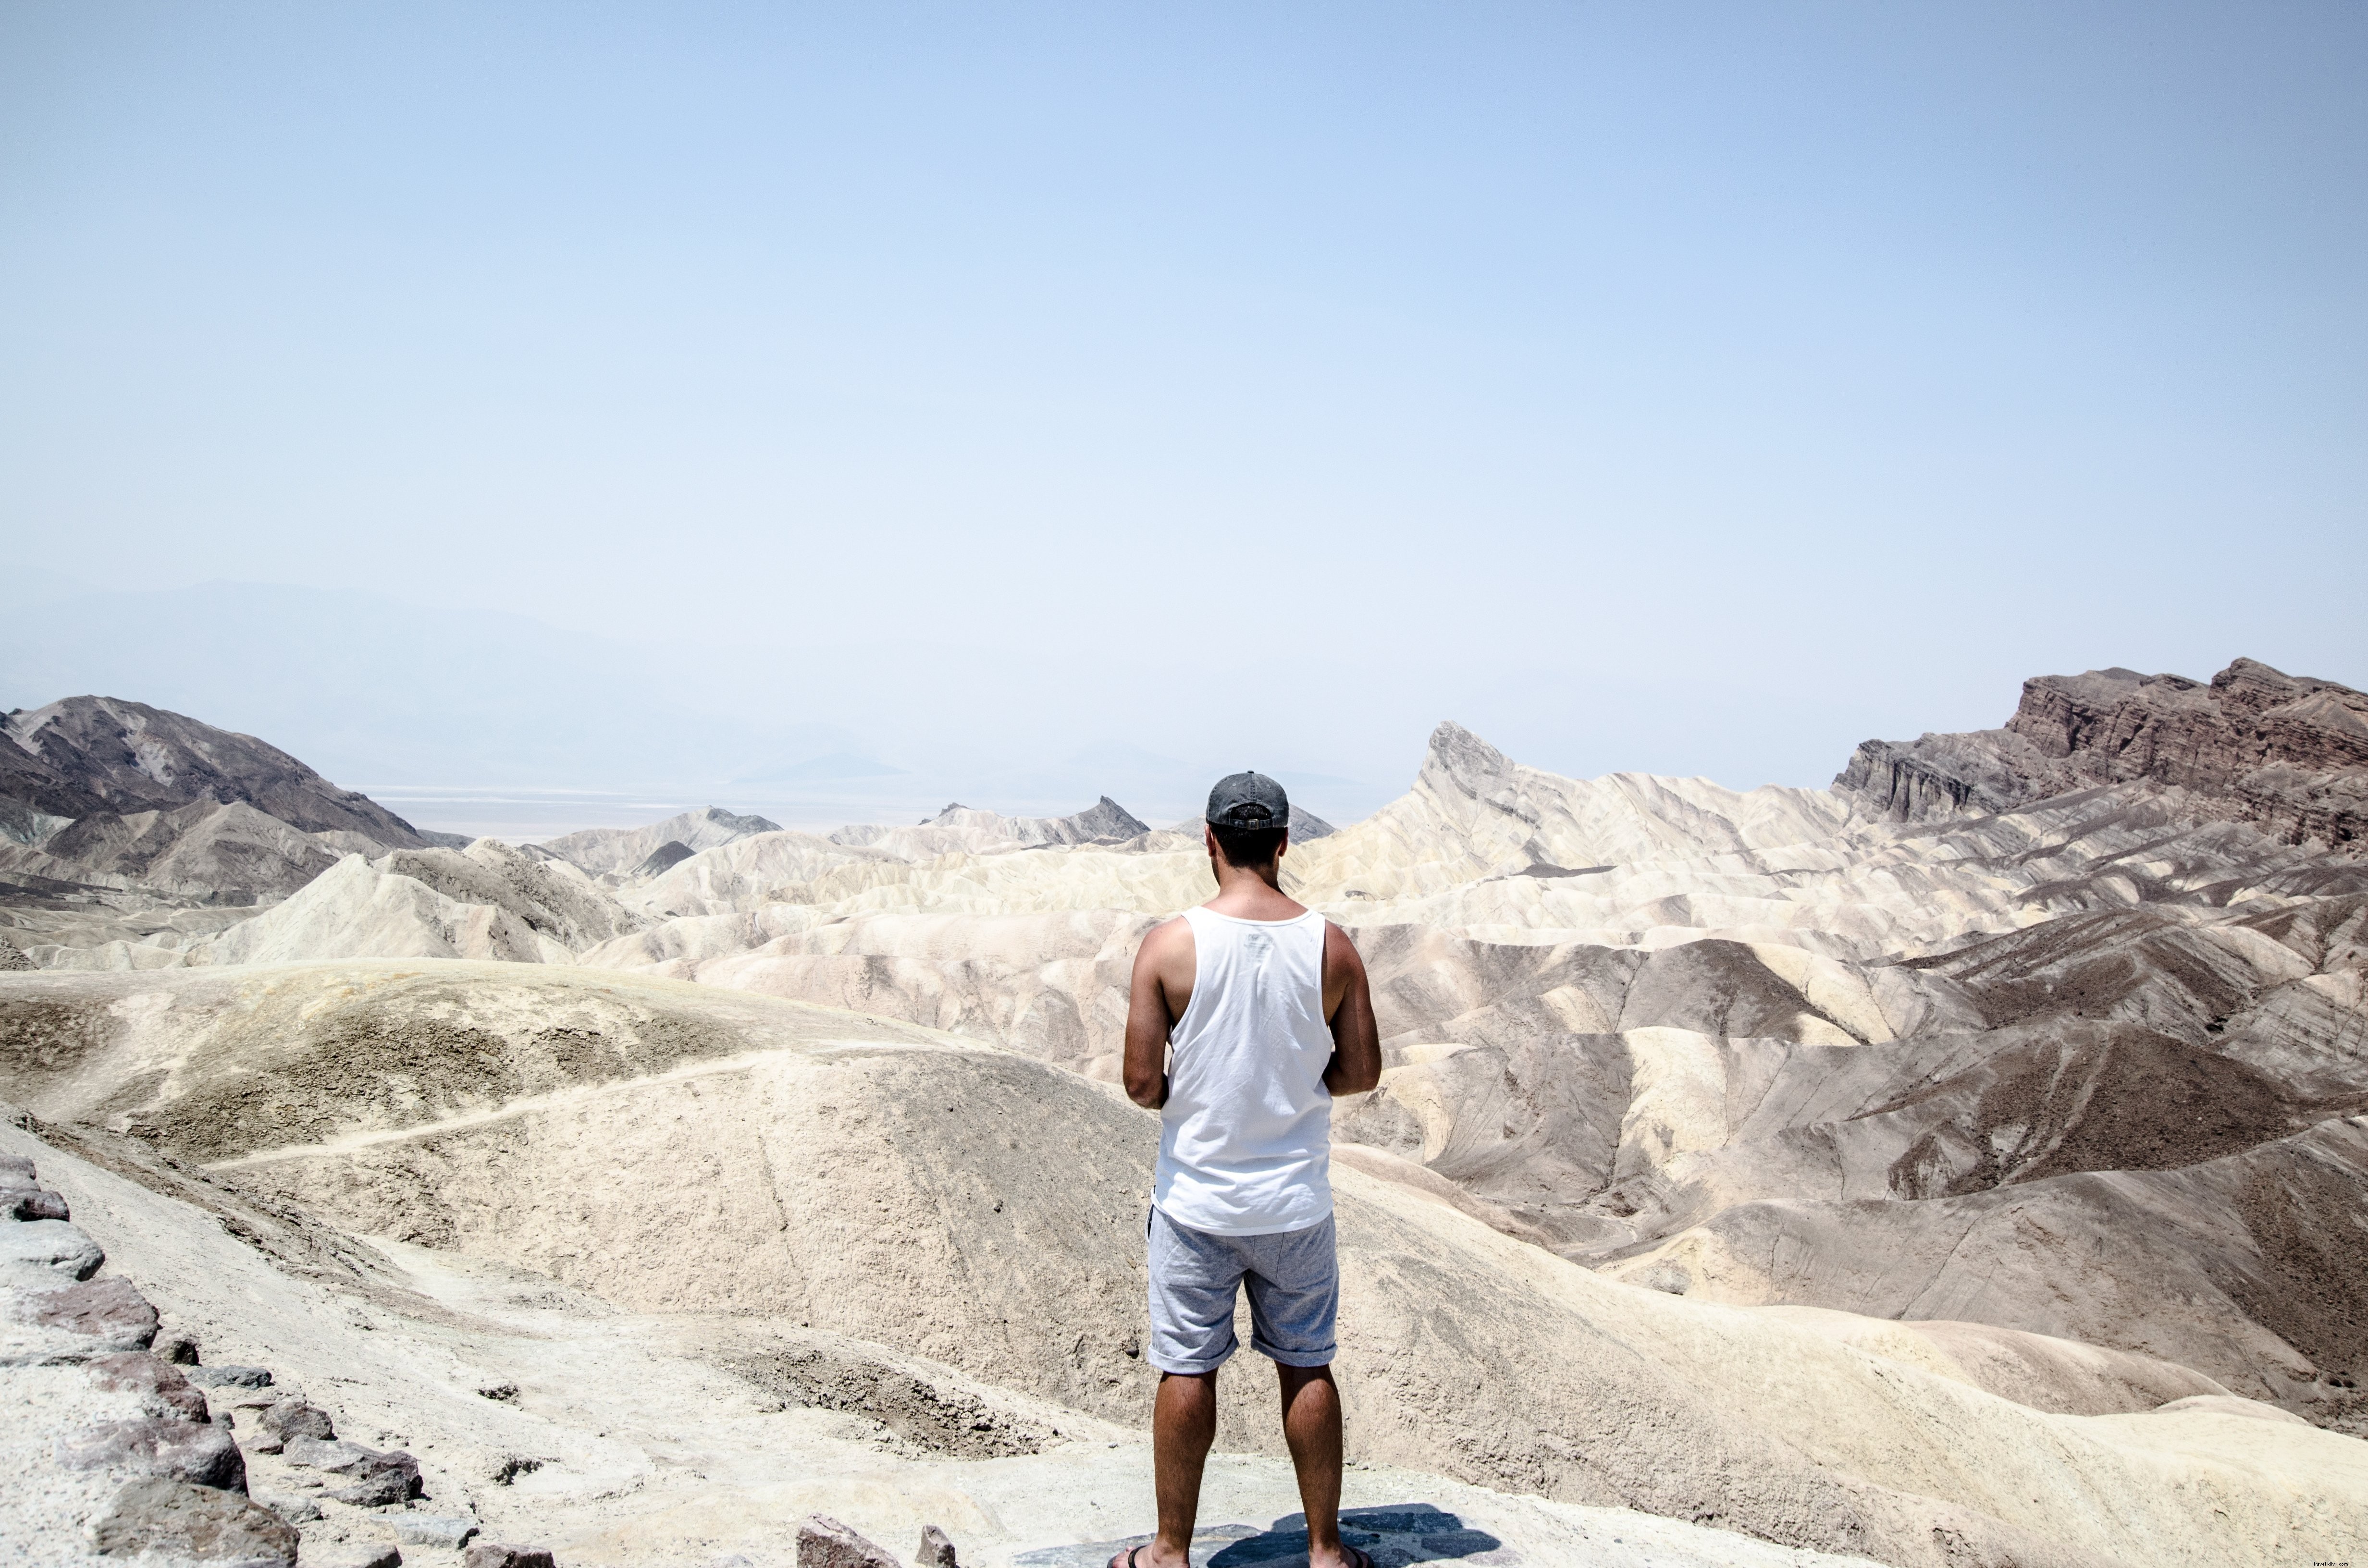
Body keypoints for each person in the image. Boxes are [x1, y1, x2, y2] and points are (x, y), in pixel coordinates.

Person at [1111, 771, 1383, 1568]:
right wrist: (1295, 1086)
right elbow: (1361, 1072)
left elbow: (1141, 1084)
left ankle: (1169, 1553)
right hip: (1295, 1202)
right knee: (1307, 1364)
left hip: (1196, 1201)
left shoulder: (1168, 946)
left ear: (1209, 840)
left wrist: (1197, 1095)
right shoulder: (1331, 945)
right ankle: (1326, 1551)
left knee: (1186, 1368)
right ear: (1284, 843)